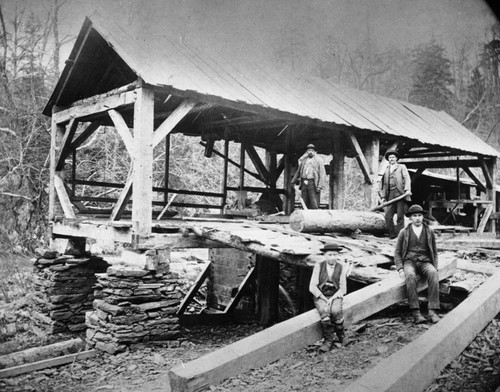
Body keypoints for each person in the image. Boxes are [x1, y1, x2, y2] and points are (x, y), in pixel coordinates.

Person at [394, 204, 441, 325]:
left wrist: (435, 266)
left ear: (423, 216)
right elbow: (397, 253)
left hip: (425, 261)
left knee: (433, 273)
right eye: (414, 215)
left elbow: (434, 251)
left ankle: (432, 311)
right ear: (410, 218)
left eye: (420, 215)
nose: (417, 218)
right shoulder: (404, 232)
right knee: (409, 275)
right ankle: (416, 313)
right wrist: (400, 269)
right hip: (409, 261)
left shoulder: (429, 231)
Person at [309, 243, 347, 351]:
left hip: (335, 294)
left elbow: (343, 288)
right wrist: (324, 298)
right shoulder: (319, 266)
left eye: (335, 255)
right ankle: (328, 340)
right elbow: (312, 287)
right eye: (330, 255)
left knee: (335, 311)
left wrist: (333, 298)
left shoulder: (341, 267)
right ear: (325, 255)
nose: (332, 257)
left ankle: (341, 336)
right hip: (321, 294)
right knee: (324, 311)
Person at [379, 149, 411, 238]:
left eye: (393, 157)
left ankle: (400, 236)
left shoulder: (402, 167)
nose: (391, 159)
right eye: (389, 157)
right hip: (390, 196)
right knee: (388, 216)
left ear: (396, 158)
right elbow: (384, 184)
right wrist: (383, 196)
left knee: (400, 217)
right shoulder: (386, 169)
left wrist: (407, 189)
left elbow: (407, 178)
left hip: (400, 194)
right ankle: (392, 235)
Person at [291, 144, 327, 209]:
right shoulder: (304, 160)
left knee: (313, 200)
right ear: (307, 152)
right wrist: (293, 180)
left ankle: (314, 215)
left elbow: (322, 173)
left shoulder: (319, 160)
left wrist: (320, 186)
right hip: (304, 182)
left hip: (313, 182)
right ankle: (305, 215)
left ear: (315, 152)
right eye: (309, 150)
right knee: (304, 199)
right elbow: (299, 171)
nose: (310, 152)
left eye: (312, 150)